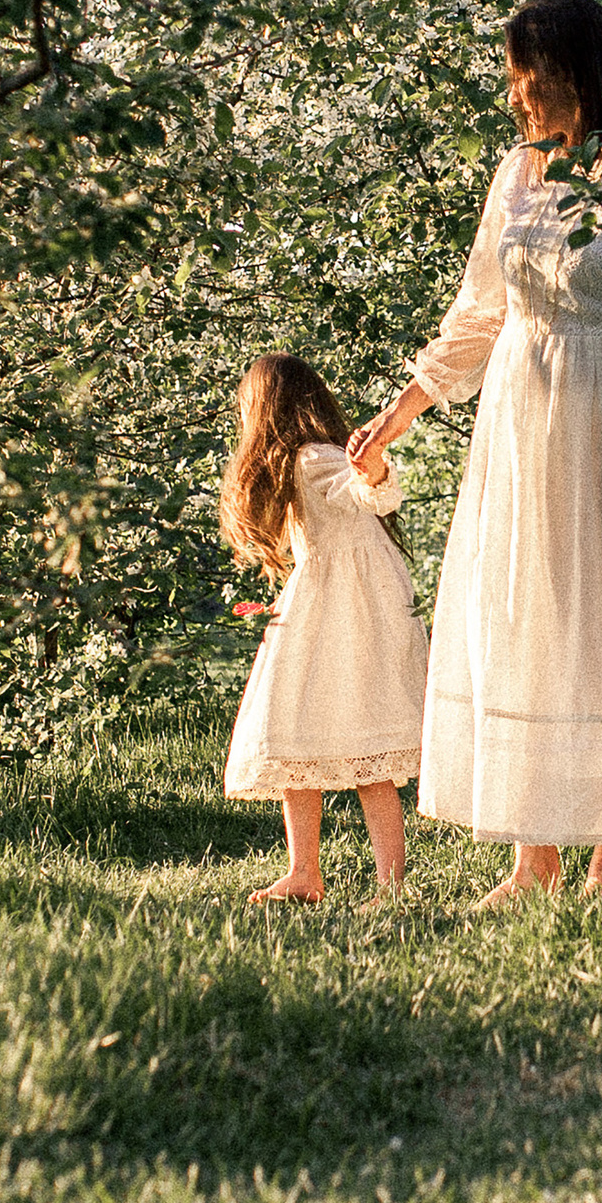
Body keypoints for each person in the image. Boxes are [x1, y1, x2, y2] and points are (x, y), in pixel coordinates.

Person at [349, 0, 602, 908]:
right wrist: (403, 409)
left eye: (527, 74)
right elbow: (481, 311)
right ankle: (533, 859)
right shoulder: (519, 174)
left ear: (573, 72)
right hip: (521, 424)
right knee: (522, 618)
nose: (514, 93)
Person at [220, 352, 428, 905]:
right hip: (336, 605)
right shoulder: (298, 462)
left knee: (361, 742)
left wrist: (372, 466)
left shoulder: (315, 457)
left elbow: (370, 492)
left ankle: (381, 884)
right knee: (300, 736)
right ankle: (305, 873)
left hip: (346, 612)